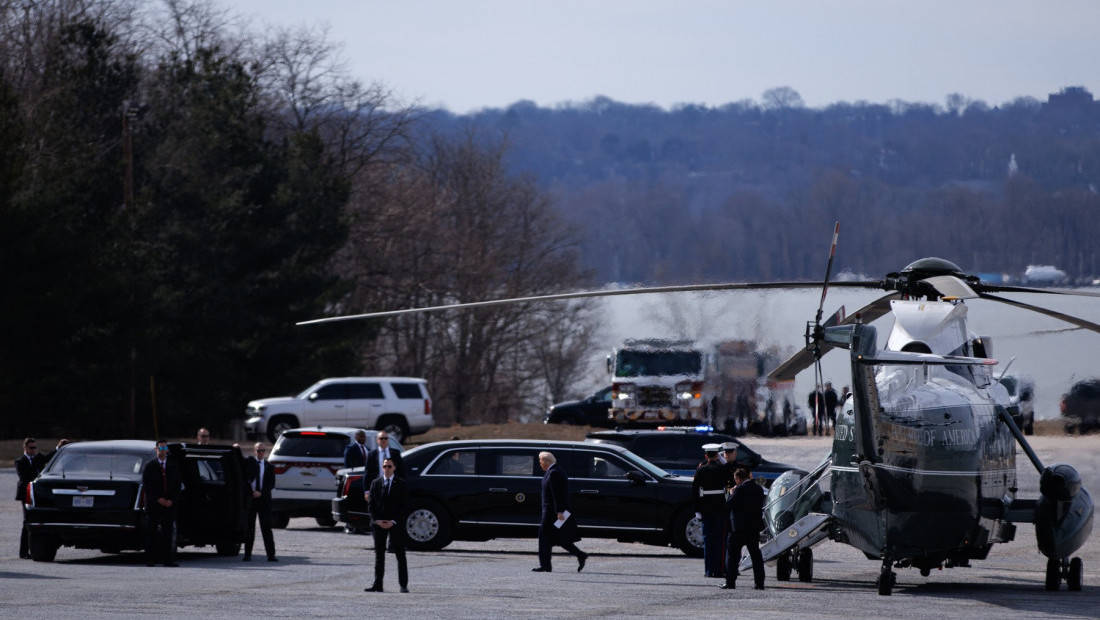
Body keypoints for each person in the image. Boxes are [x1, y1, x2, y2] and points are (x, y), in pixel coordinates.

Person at [532, 451, 587, 573]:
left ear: (546, 462)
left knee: (544, 537)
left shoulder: (554, 473)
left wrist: (560, 511)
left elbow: (558, 494)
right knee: (558, 538)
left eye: (540, 461)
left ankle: (545, 566)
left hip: (553, 514)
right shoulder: (552, 471)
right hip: (553, 512)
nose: (539, 463)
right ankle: (580, 554)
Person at [364, 458, 409, 593]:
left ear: (394, 468)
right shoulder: (376, 483)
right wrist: (376, 520)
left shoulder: (401, 484)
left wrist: (393, 521)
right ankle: (378, 584)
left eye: (389, 466)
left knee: (400, 554)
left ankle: (403, 584)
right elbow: (371, 505)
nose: (387, 469)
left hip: (395, 523)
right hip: (379, 523)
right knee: (379, 555)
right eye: (385, 466)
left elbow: (404, 506)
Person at [723, 468, 766, 590]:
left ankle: (730, 582)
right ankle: (759, 583)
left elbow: (728, 505)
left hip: (738, 529)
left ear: (738, 479)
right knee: (756, 556)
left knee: (732, 557)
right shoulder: (758, 489)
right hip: (753, 528)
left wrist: (731, 494)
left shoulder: (739, 489)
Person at [142, 439, 182, 567]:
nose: (163, 451)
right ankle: (150, 559)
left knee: (168, 532)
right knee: (151, 532)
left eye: (165, 449)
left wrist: (171, 500)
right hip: (155, 504)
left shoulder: (173, 466)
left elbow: (177, 485)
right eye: (161, 448)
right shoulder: (150, 466)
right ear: (156, 449)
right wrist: (158, 499)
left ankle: (168, 559)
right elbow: (147, 485)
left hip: (169, 505)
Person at [692, 443, 728, 578]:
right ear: (717, 455)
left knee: (708, 540)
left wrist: (697, 509)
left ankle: (708, 570)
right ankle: (719, 570)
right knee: (720, 540)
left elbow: (695, 490)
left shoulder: (701, 470)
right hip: (720, 506)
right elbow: (730, 475)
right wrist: (723, 460)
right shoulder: (722, 469)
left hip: (706, 507)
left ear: (706, 455)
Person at [15, 438, 48, 559]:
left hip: (37, 493)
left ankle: (34, 549)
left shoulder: (37, 459)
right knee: (27, 521)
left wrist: (58, 448)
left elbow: (48, 458)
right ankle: (23, 552)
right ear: (25, 448)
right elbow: (24, 477)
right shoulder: (20, 461)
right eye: (31, 448)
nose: (34, 450)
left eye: (35, 447)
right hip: (27, 494)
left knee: (36, 520)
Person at [244, 442, 277, 562]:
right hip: (251, 499)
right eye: (258, 451)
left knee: (266, 528)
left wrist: (261, 492)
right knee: (249, 528)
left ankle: (271, 554)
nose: (261, 453)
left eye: (263, 451)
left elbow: (271, 484)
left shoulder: (269, 466)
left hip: (264, 500)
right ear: (254, 451)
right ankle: (247, 554)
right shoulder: (250, 463)